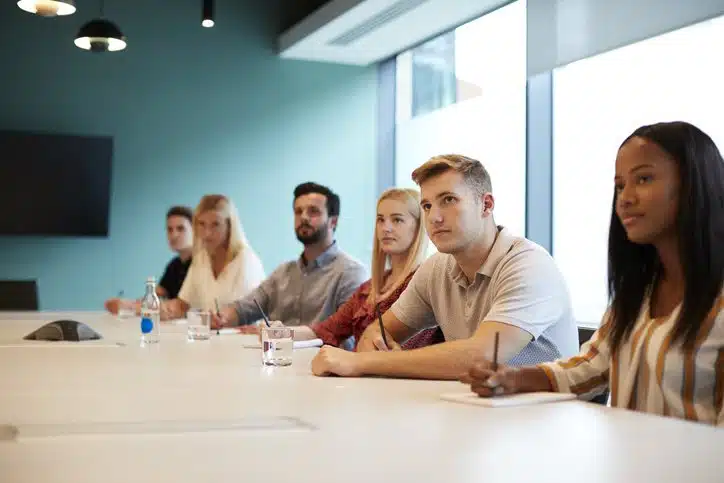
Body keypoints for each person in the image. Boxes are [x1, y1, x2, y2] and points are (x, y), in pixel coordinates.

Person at [462, 121, 724, 426]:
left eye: (644, 178)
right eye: (620, 185)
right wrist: (512, 378)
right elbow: (592, 367)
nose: (625, 198)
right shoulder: (640, 292)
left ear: (695, 183)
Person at [311, 154, 578, 379]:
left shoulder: (528, 264)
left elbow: (482, 356)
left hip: (543, 424)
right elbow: (376, 333)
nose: (434, 217)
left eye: (448, 200)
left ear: (486, 205)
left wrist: (362, 363)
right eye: (426, 206)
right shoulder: (437, 268)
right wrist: (375, 355)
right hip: (474, 415)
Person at [270, 188, 443, 350]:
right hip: (361, 377)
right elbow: (326, 330)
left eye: (397, 220)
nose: (385, 228)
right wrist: (280, 332)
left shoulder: (423, 283)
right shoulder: (368, 289)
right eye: (380, 219)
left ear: (419, 227)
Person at [212, 182, 368, 335]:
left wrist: (276, 332)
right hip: (274, 358)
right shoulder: (283, 272)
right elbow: (244, 308)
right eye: (298, 211)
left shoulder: (351, 273)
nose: (304, 217)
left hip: (321, 358)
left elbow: (345, 330)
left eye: (313, 211)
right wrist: (222, 318)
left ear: (333, 221)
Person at [160, 194, 265, 319]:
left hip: (244, 336)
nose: (207, 233)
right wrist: (168, 308)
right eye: (202, 224)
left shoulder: (245, 260)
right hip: (212, 335)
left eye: (215, 225)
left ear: (229, 226)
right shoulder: (201, 258)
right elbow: (183, 304)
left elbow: (249, 313)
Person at [104, 205, 194, 315]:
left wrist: (132, 308)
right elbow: (155, 296)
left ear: (195, 231)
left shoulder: (202, 264)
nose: (174, 235)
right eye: (169, 230)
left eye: (181, 229)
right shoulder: (174, 265)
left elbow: (184, 306)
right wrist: (127, 304)